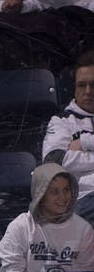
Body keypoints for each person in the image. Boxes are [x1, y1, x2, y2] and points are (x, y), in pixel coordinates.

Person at [0, 163, 94, 272]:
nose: (62, 197)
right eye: (54, 192)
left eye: (66, 190)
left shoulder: (84, 229)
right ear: (40, 195)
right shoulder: (21, 226)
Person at [43, 50, 94, 225]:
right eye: (82, 85)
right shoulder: (62, 122)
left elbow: (67, 160)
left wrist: (85, 142)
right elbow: (53, 162)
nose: (88, 91)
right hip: (80, 201)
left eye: (93, 85)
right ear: (74, 87)